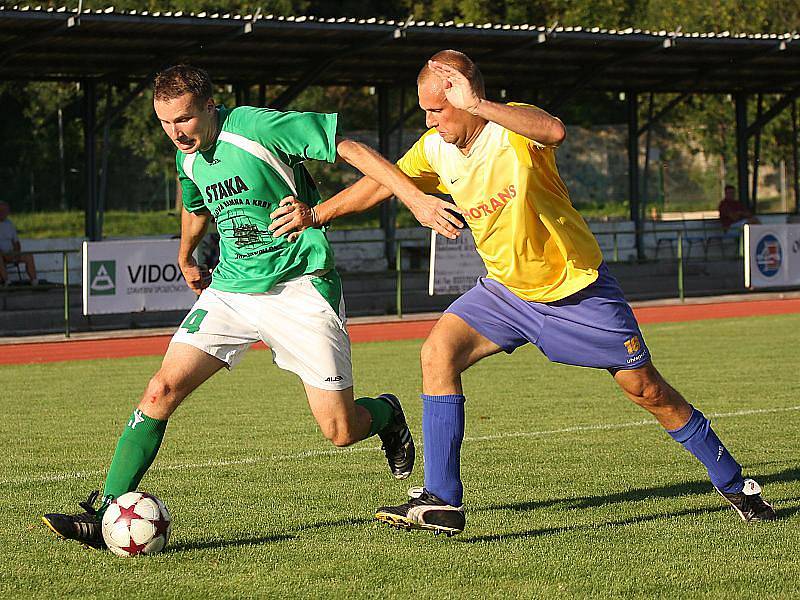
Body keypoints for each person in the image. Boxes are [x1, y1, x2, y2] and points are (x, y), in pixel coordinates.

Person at [269, 50, 776, 535]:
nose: (430, 122)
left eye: (438, 110)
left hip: (577, 292)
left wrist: (481, 107)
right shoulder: (435, 148)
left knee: (648, 392)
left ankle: (736, 484)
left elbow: (554, 130)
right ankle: (442, 501)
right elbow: (385, 183)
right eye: (424, 111)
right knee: (437, 354)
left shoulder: (513, 128)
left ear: (468, 98)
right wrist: (318, 214)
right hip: (506, 294)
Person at [39, 64, 462, 550]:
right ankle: (107, 508)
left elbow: (350, 148)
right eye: (165, 123)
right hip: (232, 291)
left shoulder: (256, 127)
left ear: (209, 107)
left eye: (185, 120)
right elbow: (196, 205)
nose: (176, 133)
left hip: (299, 288)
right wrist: (185, 253)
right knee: (161, 388)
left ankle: (386, 414)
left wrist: (412, 197)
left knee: (341, 430)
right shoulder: (189, 155)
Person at [0, 201, 38, 286]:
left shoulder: (10, 223)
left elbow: (16, 242)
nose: (3, 213)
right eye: (1, 210)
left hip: (11, 253)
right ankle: (7, 281)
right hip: (1, 255)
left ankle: (34, 281)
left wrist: (16, 253)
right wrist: (4, 254)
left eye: (5, 211)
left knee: (29, 256)